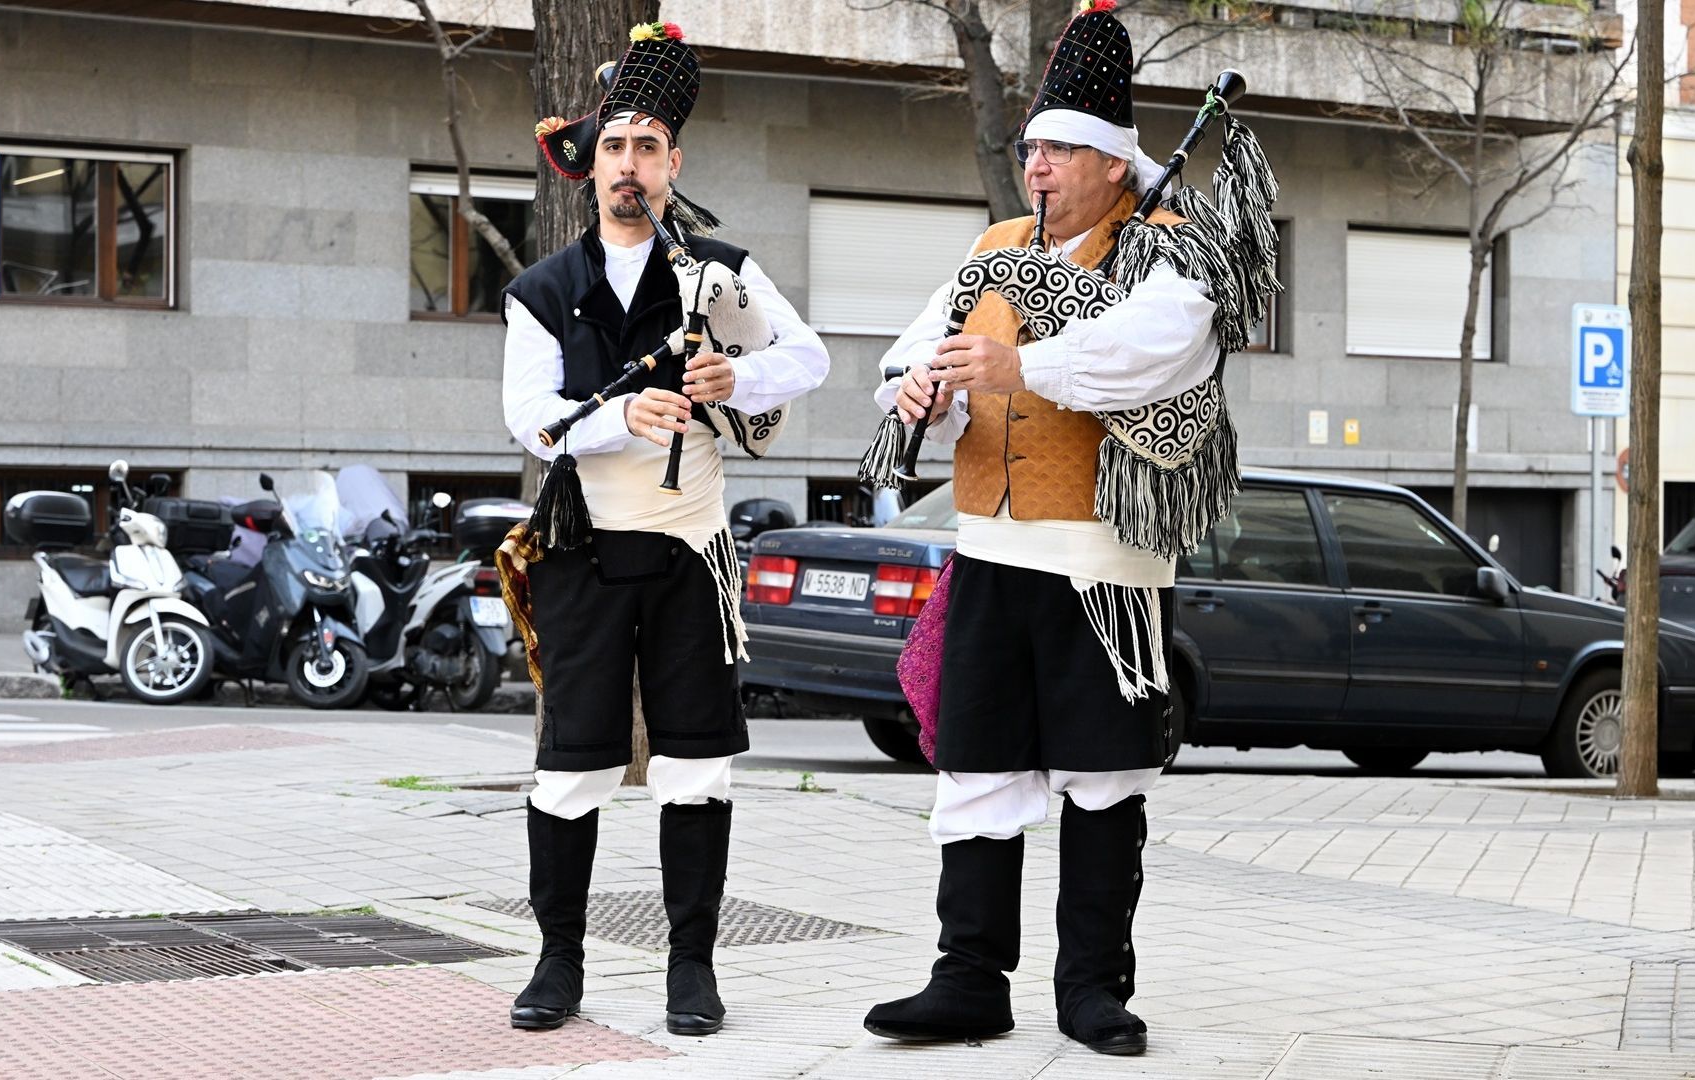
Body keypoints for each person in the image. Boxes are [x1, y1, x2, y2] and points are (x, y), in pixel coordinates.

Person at [861, 0, 1230, 1058]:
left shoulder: (1167, 253)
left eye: (1061, 150)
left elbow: (1147, 357)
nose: (1039, 167)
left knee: (1104, 777)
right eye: (1032, 149)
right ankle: (968, 979)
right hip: (990, 550)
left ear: (1114, 163)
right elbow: (905, 357)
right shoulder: (992, 247)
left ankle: (1093, 990)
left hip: (1106, 564)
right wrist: (919, 392)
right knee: (976, 771)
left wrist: (1018, 363)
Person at [500, 21, 830, 1038]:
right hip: (585, 554)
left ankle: (693, 968)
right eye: (614, 146)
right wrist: (619, 417)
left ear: (672, 164)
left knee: (696, 767)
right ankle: (558, 962)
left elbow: (809, 358)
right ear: (589, 165)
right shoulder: (544, 291)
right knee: (572, 770)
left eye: (647, 147)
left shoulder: (718, 271)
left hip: (692, 555)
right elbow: (531, 418)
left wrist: (740, 376)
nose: (629, 165)